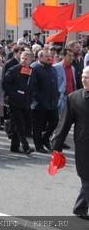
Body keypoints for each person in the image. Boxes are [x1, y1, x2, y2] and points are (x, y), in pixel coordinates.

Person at [51, 67, 89, 220]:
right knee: (86, 178)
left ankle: (80, 207)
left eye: (87, 77)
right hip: (83, 145)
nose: (84, 79)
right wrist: (57, 146)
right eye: (83, 77)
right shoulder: (74, 98)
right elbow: (65, 123)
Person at [3, 51, 35, 155]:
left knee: (20, 124)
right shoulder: (14, 69)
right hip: (15, 102)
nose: (24, 61)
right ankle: (25, 146)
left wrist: (30, 98)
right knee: (19, 123)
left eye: (26, 59)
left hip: (25, 102)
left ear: (31, 60)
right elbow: (5, 83)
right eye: (22, 58)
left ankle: (14, 146)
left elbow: (32, 85)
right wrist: (14, 94)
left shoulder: (31, 71)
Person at [30, 50, 60, 153]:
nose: (49, 58)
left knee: (55, 121)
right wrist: (37, 99)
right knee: (38, 126)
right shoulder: (34, 68)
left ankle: (45, 138)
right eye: (47, 56)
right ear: (40, 57)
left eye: (50, 56)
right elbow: (31, 87)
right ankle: (39, 146)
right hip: (39, 104)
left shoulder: (52, 68)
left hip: (52, 102)